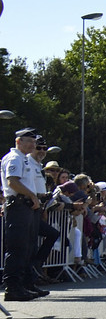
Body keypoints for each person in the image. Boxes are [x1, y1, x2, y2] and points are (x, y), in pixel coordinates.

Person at [3, 128, 50, 301]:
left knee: (28, 247)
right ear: (18, 142)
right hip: (18, 205)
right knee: (18, 248)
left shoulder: (25, 160)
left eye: (33, 142)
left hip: (27, 206)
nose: (32, 145)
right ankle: (13, 287)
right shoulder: (14, 158)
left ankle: (24, 284)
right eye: (28, 141)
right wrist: (31, 195)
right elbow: (12, 182)